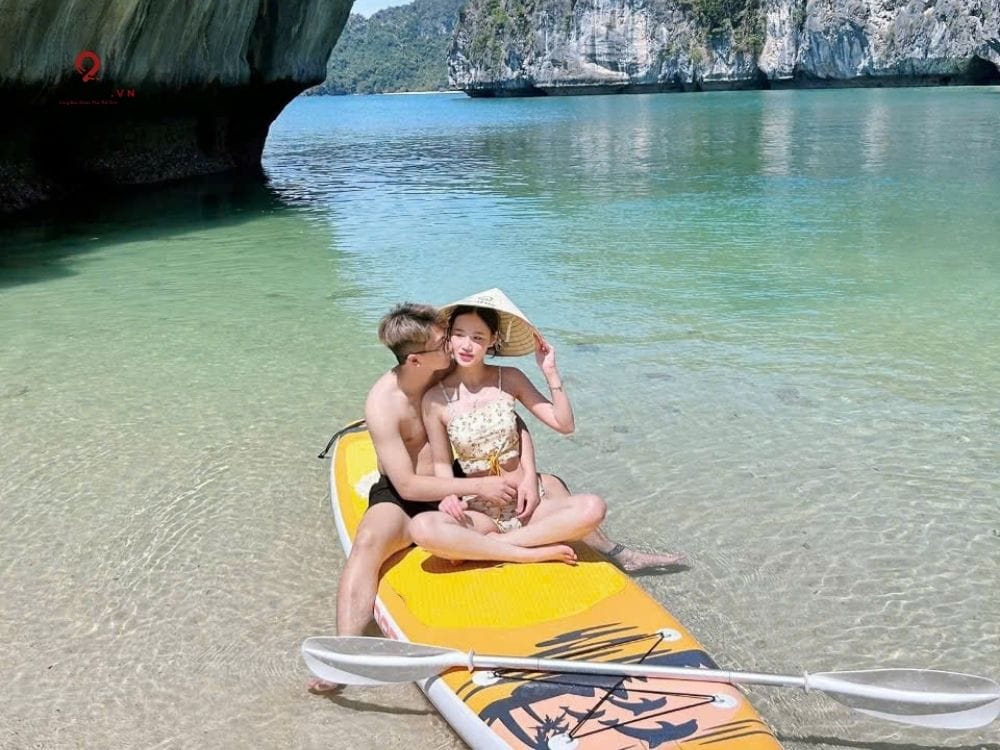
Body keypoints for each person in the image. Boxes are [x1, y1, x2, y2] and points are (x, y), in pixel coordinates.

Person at [308, 300, 682, 692]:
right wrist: (475, 488)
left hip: (466, 479)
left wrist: (527, 472)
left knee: (553, 485)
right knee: (368, 542)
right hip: (411, 493)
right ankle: (344, 658)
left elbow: (507, 416)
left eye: (452, 337)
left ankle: (614, 552)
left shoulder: (451, 362)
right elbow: (408, 486)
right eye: (445, 341)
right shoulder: (384, 403)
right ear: (416, 359)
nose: (454, 345)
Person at [408, 290, 622, 563]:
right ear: (449, 336)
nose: (466, 345)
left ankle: (493, 546)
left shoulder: (510, 378)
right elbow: (442, 463)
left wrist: (550, 372)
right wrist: (449, 495)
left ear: (493, 340)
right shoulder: (435, 399)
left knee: (593, 507)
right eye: (459, 334)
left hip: (527, 504)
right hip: (480, 510)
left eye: (477, 337)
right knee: (422, 527)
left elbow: (564, 424)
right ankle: (527, 552)